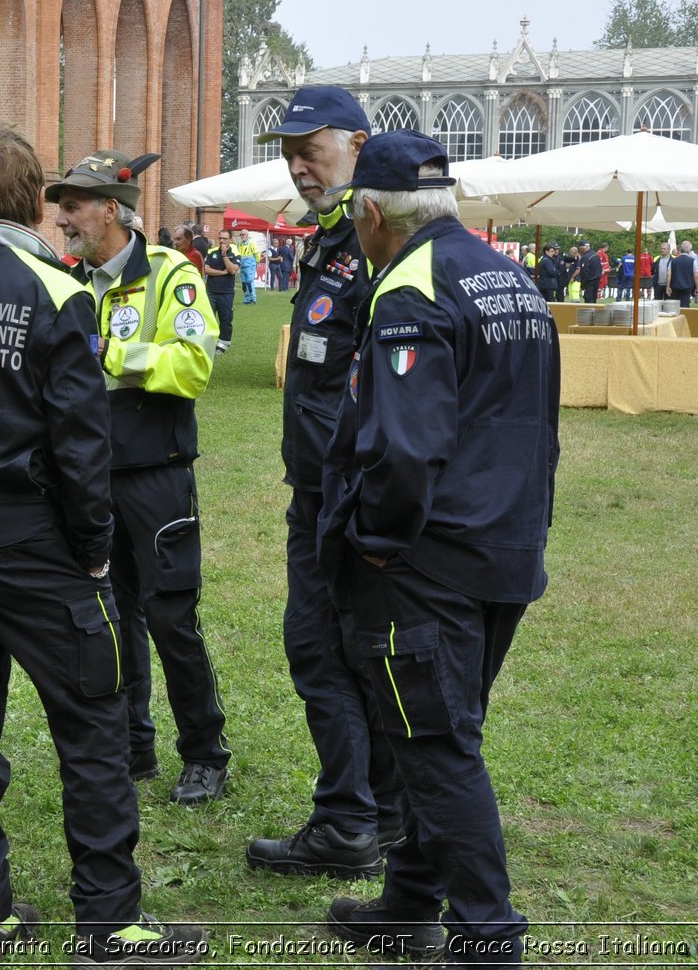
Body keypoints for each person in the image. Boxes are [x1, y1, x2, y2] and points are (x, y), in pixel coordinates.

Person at [0, 120, 209, 966]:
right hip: (35, 543)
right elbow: (81, 444)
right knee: (92, 723)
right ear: (32, 202)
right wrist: (94, 550)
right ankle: (108, 921)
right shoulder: (63, 296)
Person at [318, 129, 558, 967]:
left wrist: (375, 542)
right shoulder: (511, 276)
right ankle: (410, 899)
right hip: (505, 548)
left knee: (435, 743)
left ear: (373, 212)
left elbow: (404, 450)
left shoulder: (408, 288)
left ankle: (487, 937)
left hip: (430, 561)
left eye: (355, 216)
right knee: (441, 730)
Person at [245, 84, 405, 882]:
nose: (299, 166)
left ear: (357, 143)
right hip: (318, 489)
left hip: (349, 497)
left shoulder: (377, 245)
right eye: (289, 153)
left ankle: (353, 820)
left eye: (313, 149)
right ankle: (375, 810)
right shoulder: (330, 241)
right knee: (343, 650)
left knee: (326, 648)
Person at [50, 147, 230, 806]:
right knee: (110, 617)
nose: (63, 218)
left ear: (111, 209)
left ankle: (205, 752)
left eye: (73, 205)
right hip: (90, 478)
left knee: (170, 615)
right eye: (61, 206)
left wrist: (109, 352)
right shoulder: (67, 281)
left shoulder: (170, 273)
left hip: (155, 474)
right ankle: (134, 743)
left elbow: (192, 365)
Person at [204, 230, 238, 353]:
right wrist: (222, 272)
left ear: (230, 240)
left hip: (226, 292)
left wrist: (224, 256)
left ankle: (223, 343)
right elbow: (206, 270)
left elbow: (233, 270)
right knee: (209, 318)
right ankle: (210, 342)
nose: (222, 241)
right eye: (220, 238)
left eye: (224, 238)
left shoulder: (234, 254)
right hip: (211, 291)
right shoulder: (211, 252)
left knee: (225, 319)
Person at [234, 229, 260, 304]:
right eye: (241, 235)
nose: (241, 236)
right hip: (243, 266)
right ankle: (247, 299)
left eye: (243, 234)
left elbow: (256, 254)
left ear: (247, 235)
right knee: (244, 283)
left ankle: (253, 299)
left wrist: (256, 262)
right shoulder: (240, 244)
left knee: (249, 282)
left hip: (250, 266)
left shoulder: (252, 243)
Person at [669, 243, 697, 307]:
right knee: (685, 305)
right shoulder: (692, 261)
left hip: (675, 286)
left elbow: (669, 274)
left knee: (674, 306)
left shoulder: (673, 261)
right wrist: (697, 287)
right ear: (689, 250)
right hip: (687, 286)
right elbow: (696, 275)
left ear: (680, 250)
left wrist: (668, 286)